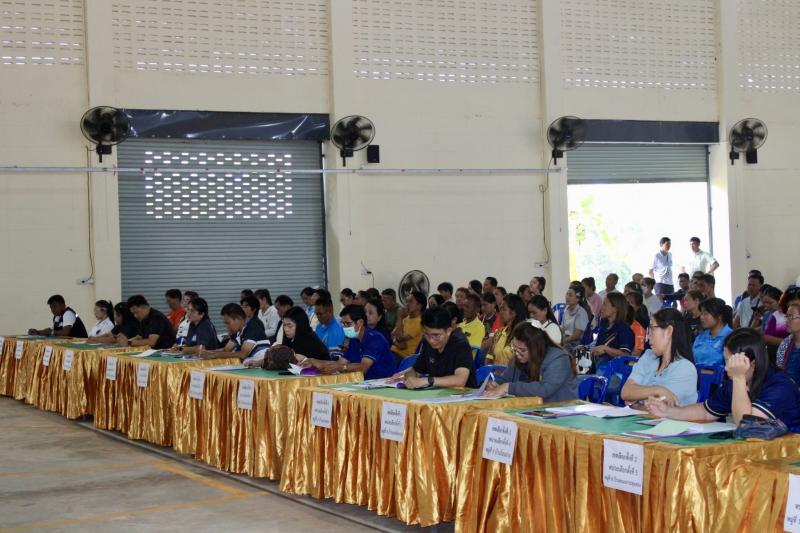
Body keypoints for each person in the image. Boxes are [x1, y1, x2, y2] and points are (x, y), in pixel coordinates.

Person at [646, 328, 800, 431]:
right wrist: (669, 411)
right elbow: (706, 412)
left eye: (730, 362)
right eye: (726, 361)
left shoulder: (780, 386)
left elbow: (746, 425)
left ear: (751, 363)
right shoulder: (736, 382)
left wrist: (738, 377)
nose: (726, 369)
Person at [621, 308, 698, 407]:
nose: (648, 337)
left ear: (669, 331)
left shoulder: (685, 368)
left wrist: (635, 403)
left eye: (652, 329)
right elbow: (626, 392)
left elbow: (659, 409)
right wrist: (658, 390)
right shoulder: (649, 356)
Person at [483, 322, 576, 401]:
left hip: (558, 408)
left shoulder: (558, 358)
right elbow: (506, 379)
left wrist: (508, 387)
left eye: (522, 350)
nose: (517, 354)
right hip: (528, 408)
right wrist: (495, 384)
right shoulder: (517, 358)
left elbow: (544, 389)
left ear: (536, 347)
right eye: (514, 348)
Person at [388, 307, 476, 388]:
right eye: (426, 334)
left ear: (448, 331)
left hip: (463, 395)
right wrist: (407, 377)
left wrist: (427, 381)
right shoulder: (427, 343)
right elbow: (415, 370)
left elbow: (460, 380)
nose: (431, 340)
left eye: (436, 335)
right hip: (437, 394)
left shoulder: (460, 344)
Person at [302, 304, 396, 380]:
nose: (344, 327)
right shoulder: (354, 340)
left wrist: (341, 367)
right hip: (364, 382)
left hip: (383, 383)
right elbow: (340, 363)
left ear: (360, 322)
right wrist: (315, 362)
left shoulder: (375, 339)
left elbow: (363, 367)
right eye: (343, 324)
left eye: (347, 323)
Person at [199, 303, 269, 366]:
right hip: (250, 363)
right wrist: (208, 352)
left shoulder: (252, 328)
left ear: (238, 319)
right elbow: (226, 350)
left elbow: (243, 354)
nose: (227, 327)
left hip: (261, 365)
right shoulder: (238, 331)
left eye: (228, 323)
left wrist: (216, 355)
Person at [482, 294, 527, 366]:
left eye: (503, 309)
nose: (500, 312)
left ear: (513, 313)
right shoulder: (499, 333)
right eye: (500, 309)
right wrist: (489, 371)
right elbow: (489, 357)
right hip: (495, 372)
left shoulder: (523, 335)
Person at [590, 293, 635, 364]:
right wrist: (585, 347)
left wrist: (606, 349)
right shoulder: (604, 324)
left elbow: (626, 355)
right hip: (598, 363)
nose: (602, 307)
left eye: (605, 304)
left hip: (614, 368)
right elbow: (597, 346)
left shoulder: (624, 329)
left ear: (615, 309)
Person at [692, 298, 733, 366]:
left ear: (719, 316)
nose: (702, 317)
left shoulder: (731, 337)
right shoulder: (700, 338)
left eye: (706, 314)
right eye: (701, 314)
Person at [392, 290, 426, 360]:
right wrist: (397, 343)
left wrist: (399, 317)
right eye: (406, 301)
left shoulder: (419, 321)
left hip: (403, 357)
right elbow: (392, 334)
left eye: (410, 301)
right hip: (394, 352)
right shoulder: (406, 318)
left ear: (419, 306)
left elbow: (400, 337)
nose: (407, 304)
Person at [777, 302, 800, 384]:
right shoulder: (785, 343)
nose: (786, 320)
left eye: (790, 316)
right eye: (786, 316)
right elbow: (779, 370)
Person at [561, 284, 589, 351]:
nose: (567, 297)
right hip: (567, 340)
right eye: (567, 294)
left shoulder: (581, 312)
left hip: (576, 343)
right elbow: (562, 329)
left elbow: (577, 335)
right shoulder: (566, 311)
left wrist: (564, 341)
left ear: (577, 298)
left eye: (570, 295)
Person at [759, 285, 787, 351]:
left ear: (779, 301)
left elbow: (790, 341)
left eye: (770, 303)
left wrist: (768, 339)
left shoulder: (785, 315)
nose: (767, 306)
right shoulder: (770, 315)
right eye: (765, 303)